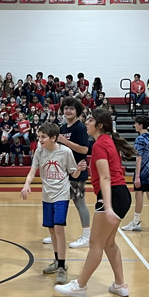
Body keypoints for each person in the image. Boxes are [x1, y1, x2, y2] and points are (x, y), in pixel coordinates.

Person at [55, 108, 134, 297]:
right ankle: (120, 284)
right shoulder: (107, 141)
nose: (86, 123)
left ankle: (80, 286)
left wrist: (107, 207)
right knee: (108, 243)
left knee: (95, 243)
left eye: (90, 120)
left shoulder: (99, 145)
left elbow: (106, 177)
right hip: (121, 194)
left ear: (99, 125)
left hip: (113, 195)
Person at [21, 122, 85, 285]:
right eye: (39, 137)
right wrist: (27, 184)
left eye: (43, 137)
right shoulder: (39, 151)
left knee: (58, 228)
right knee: (51, 230)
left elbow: (74, 174)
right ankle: (57, 261)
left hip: (61, 195)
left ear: (54, 138)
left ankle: (62, 266)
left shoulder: (65, 152)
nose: (40, 140)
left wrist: (79, 168)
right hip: (46, 196)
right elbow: (32, 171)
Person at [45, 97, 92, 250]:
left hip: (77, 170)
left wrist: (65, 141)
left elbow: (85, 150)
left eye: (71, 108)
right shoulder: (62, 127)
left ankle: (86, 236)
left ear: (77, 111)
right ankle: (56, 233)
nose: (68, 111)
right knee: (59, 203)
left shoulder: (80, 128)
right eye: (66, 108)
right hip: (62, 172)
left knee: (79, 203)